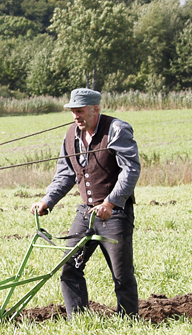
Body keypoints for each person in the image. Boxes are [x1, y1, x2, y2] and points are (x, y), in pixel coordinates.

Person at [31, 88, 141, 318]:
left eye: (80, 111)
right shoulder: (71, 135)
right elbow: (66, 174)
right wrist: (47, 200)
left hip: (115, 213)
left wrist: (110, 203)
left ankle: (129, 322)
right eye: (73, 112)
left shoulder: (116, 130)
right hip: (85, 213)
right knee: (69, 268)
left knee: (121, 275)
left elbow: (130, 170)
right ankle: (79, 321)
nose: (75, 116)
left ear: (95, 109)